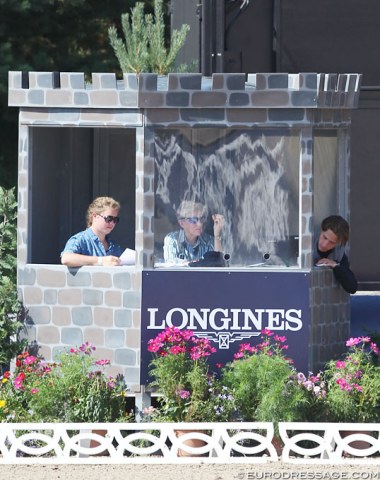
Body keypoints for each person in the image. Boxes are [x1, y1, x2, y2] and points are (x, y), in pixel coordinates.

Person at [61, 196, 123, 267]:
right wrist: (101, 260)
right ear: (95, 216)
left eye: (115, 220)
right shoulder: (81, 239)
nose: (112, 223)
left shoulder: (114, 246)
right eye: (109, 219)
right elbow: (66, 258)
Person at [314, 215, 358, 294]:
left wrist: (335, 265)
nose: (324, 244)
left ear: (338, 244)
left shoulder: (338, 254)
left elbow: (352, 288)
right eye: (324, 237)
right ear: (321, 230)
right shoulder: (303, 246)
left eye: (331, 242)